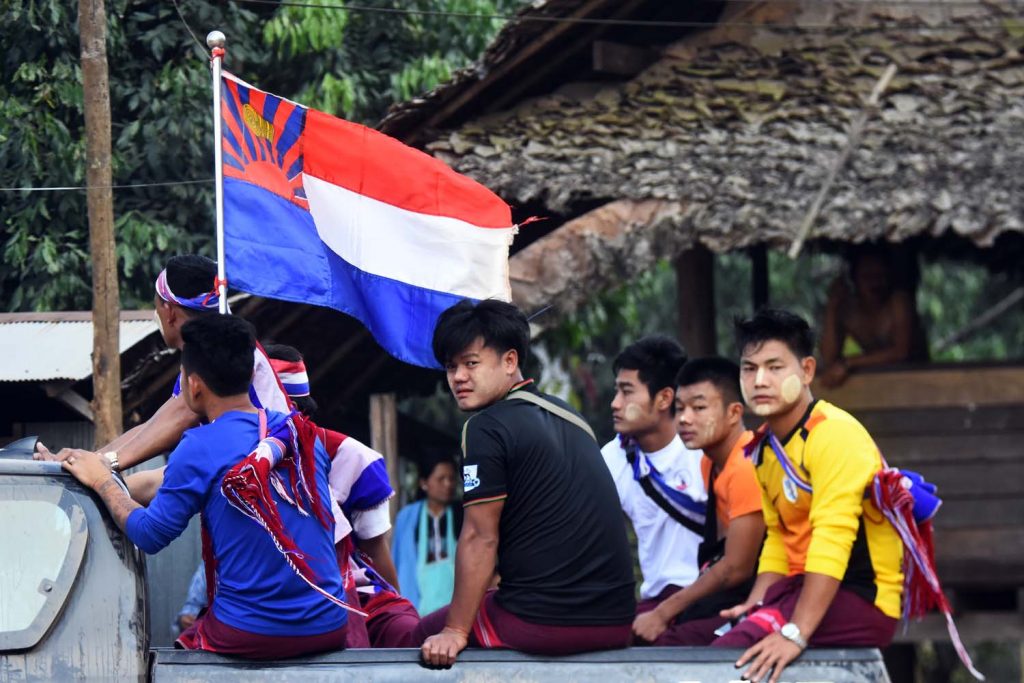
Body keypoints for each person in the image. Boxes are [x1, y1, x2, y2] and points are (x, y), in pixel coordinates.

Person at [61, 315, 350, 658]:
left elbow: (150, 534)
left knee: (185, 634)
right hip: (330, 624)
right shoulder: (302, 435)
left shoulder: (199, 446)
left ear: (193, 385)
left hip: (249, 632)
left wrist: (101, 481)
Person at [417, 299, 635, 667]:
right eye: (451, 367)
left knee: (420, 636)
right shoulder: (571, 416)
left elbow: (479, 537)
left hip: (543, 623)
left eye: (471, 363)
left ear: (510, 361)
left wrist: (455, 631)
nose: (458, 378)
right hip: (618, 620)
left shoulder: (486, 427)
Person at [713, 309, 903, 683]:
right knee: (701, 635)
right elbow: (779, 543)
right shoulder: (764, 448)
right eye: (749, 368)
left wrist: (795, 632)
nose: (759, 380)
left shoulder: (834, 435)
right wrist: (757, 602)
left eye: (774, 366)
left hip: (863, 598)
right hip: (803, 592)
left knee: (726, 659)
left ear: (808, 371)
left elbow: (832, 538)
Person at [34, 255, 290, 504]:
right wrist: (82, 464)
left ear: (168, 311)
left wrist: (101, 466)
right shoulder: (211, 354)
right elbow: (155, 427)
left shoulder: (220, 358)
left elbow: (179, 417)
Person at [632, 357, 764, 645]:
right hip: (729, 591)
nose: (684, 419)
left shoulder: (745, 466)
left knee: (667, 644)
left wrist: (665, 611)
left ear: (734, 412)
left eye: (699, 408)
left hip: (764, 596)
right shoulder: (710, 463)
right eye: (680, 409)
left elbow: (737, 567)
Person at [599, 336, 707, 633]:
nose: (615, 403)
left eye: (627, 392)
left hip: (708, 600)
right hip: (652, 602)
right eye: (616, 391)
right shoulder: (613, 457)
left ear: (664, 398)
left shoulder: (705, 452)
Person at [819, 244, 928, 387]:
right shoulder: (849, 311)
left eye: (880, 276)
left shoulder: (898, 302)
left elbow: (901, 352)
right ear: (854, 279)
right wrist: (832, 308)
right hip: (881, 384)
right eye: (867, 277)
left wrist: (849, 363)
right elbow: (829, 359)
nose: (875, 283)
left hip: (917, 381)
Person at [393, 454, 462, 615]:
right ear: (424, 483)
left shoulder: (462, 515)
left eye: (451, 479)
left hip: (455, 607)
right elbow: (397, 560)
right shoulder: (408, 517)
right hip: (415, 605)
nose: (448, 484)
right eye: (441, 479)